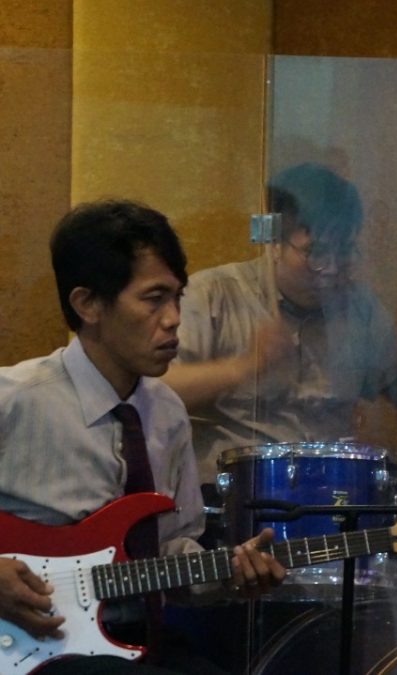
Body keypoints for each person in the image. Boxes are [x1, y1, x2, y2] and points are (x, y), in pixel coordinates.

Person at [0, 200, 286, 674]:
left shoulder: (166, 412)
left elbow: (169, 551)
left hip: (130, 640)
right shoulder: (16, 399)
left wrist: (232, 575)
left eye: (177, 297)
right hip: (31, 651)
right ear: (87, 304)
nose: (174, 318)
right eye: (154, 299)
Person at [162, 162, 397, 484]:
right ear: (275, 243)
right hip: (235, 494)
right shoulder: (214, 294)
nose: (332, 268)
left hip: (333, 491)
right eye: (316, 252)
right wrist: (242, 367)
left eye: (344, 251)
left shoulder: (359, 307)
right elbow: (156, 389)